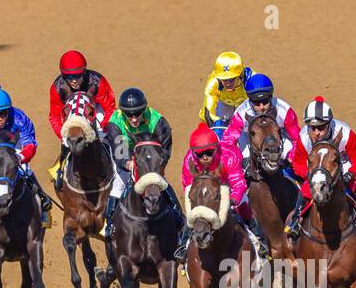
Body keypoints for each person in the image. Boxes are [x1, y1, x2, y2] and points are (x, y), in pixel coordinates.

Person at [284, 96, 356, 238]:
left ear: (329, 123)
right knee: (306, 189)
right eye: (313, 127)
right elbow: (297, 164)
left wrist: (350, 174)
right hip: (316, 170)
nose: (317, 132)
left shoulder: (345, 133)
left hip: (342, 166)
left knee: (353, 185)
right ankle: (295, 221)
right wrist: (311, 175)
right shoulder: (304, 137)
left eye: (321, 127)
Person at [175, 123, 270, 263]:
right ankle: (183, 246)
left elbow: (238, 182)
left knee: (243, 205)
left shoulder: (228, 155)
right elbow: (188, 186)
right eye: (200, 154)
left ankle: (260, 239)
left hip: (228, 189)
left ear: (216, 148)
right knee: (193, 213)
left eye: (209, 152)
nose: (205, 157)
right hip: (204, 193)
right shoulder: (189, 160)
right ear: (194, 152)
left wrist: (231, 200)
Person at [102, 87, 183, 239]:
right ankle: (110, 224)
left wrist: (154, 168)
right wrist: (131, 166)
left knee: (162, 183)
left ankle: (180, 221)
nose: (134, 118)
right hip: (127, 159)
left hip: (151, 160)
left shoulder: (157, 121)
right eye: (129, 114)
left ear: (144, 109)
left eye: (138, 113)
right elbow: (120, 156)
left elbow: (165, 152)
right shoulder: (115, 121)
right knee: (119, 184)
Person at [0, 84, 50, 234]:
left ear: (9, 110)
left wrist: (21, 157)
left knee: (25, 169)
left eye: (3, 113)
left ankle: (43, 200)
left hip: (13, 145)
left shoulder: (19, 117)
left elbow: (30, 144)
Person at [48, 49, 117, 194]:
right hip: (71, 115)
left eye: (77, 75)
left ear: (84, 72)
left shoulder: (97, 81)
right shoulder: (57, 87)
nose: (73, 80)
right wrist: (64, 135)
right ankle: (60, 170)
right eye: (68, 76)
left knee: (113, 139)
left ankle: (120, 169)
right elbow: (54, 116)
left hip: (94, 111)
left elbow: (110, 107)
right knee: (70, 140)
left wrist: (103, 127)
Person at [221, 72, 299, 179]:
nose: (261, 107)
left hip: (279, 137)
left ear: (271, 97)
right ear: (250, 100)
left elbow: (298, 139)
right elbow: (228, 141)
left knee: (294, 160)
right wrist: (235, 162)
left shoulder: (284, 110)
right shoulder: (241, 113)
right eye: (257, 102)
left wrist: (291, 157)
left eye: (265, 101)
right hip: (249, 138)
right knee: (245, 161)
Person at [198, 50, 252, 136]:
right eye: (224, 80)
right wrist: (217, 124)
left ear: (240, 74)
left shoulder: (250, 79)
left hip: (246, 105)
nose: (227, 84)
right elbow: (207, 112)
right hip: (224, 105)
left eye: (231, 79)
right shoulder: (213, 82)